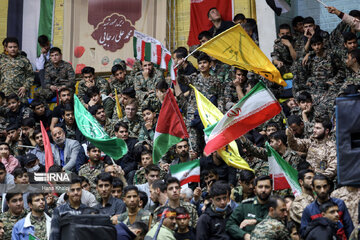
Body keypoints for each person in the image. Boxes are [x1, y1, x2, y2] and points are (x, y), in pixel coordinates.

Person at [300, 174, 354, 239]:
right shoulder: (309, 210)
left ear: (328, 186)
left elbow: (349, 227)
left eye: (325, 186)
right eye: (318, 187)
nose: (322, 190)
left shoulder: (340, 204)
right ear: (313, 188)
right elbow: (304, 233)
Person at [226, 175, 272, 240]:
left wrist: (256, 221)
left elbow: (281, 225)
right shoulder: (245, 205)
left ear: (271, 188)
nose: (263, 190)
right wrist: (244, 235)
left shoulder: (276, 205)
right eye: (260, 187)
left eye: (267, 187)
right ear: (255, 188)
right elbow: (230, 225)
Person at [0, 37, 34, 103]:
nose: (13, 49)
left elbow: (30, 76)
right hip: (4, 94)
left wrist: (25, 87)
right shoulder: (1, 60)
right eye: (10, 47)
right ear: (6, 48)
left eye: (15, 47)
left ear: (18, 47)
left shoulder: (24, 60)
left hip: (19, 94)